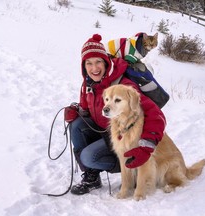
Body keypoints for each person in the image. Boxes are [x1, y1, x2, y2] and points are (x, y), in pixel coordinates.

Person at [65, 34, 166, 195]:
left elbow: (156, 115)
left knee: (88, 157)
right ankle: (92, 177)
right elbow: (87, 108)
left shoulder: (124, 85)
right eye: (89, 63)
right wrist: (77, 111)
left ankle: (129, 164)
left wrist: (145, 147)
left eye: (98, 61)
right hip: (106, 131)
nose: (94, 68)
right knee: (76, 125)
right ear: (84, 66)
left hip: (125, 136)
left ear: (106, 62)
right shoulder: (88, 84)